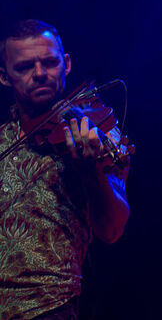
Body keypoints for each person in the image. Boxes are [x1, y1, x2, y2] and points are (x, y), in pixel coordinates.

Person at [0, 20, 130, 320]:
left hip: (49, 307)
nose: (39, 73)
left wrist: (90, 170)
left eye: (49, 62)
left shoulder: (97, 134)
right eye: (25, 67)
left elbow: (112, 229)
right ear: (4, 77)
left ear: (66, 64)